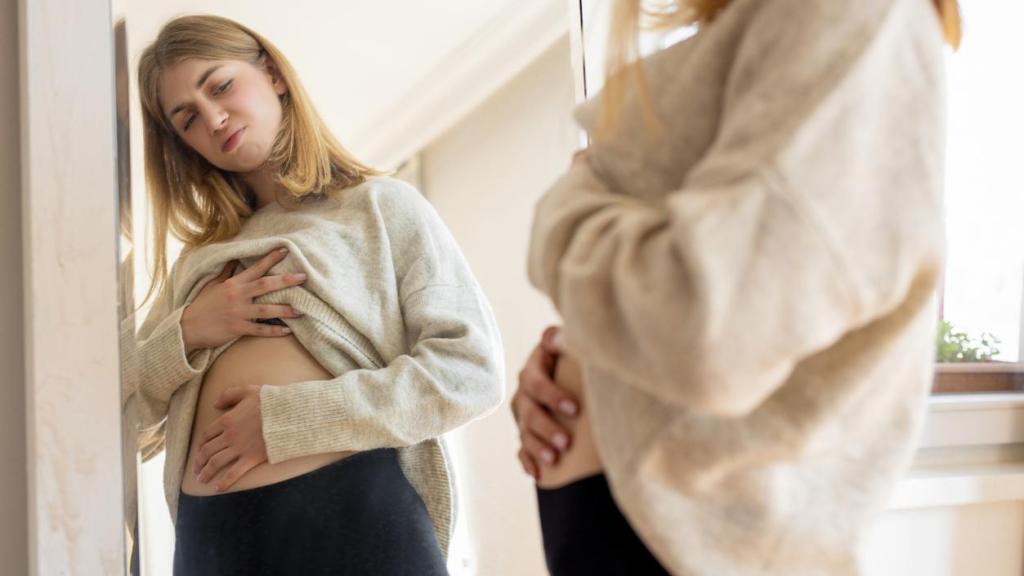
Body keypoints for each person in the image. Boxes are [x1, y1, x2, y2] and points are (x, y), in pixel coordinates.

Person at [513, 0, 961, 574]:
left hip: (680, 543)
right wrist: (583, 355)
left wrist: (565, 204)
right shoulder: (769, 22)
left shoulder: (853, 14)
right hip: (631, 526)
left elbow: (711, 326)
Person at [122, 14, 504, 575]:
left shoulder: (380, 207)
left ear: (272, 73)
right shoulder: (196, 264)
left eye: (220, 86)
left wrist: (287, 421)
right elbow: (119, 417)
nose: (214, 118)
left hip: (354, 520)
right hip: (214, 544)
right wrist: (190, 331)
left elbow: (469, 373)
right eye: (188, 119)